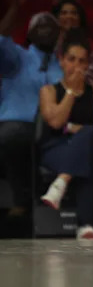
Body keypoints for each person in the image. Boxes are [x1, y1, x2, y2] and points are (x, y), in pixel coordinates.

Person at [37, 31, 93, 240]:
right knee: (85, 162)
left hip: (91, 144)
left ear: (88, 65)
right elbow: (56, 122)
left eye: (82, 61)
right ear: (61, 60)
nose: (76, 66)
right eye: (71, 59)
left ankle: (60, 183)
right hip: (56, 147)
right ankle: (85, 225)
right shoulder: (49, 90)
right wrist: (71, 93)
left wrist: (76, 129)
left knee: (88, 135)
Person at [0, 13, 64, 215]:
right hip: (19, 123)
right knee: (12, 135)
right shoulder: (18, 57)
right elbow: (1, 41)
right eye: (40, 25)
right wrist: (15, 9)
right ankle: (22, 199)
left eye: (50, 26)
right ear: (30, 33)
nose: (45, 29)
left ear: (58, 34)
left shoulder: (64, 65)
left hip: (54, 125)